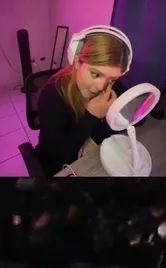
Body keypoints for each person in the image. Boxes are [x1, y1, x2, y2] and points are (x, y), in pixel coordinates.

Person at [35, 31, 131, 176]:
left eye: (112, 79)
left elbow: (132, 114)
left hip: (90, 158)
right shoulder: (52, 96)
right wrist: (91, 116)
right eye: (95, 74)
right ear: (76, 61)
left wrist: (94, 138)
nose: (101, 86)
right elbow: (56, 155)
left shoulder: (110, 86)